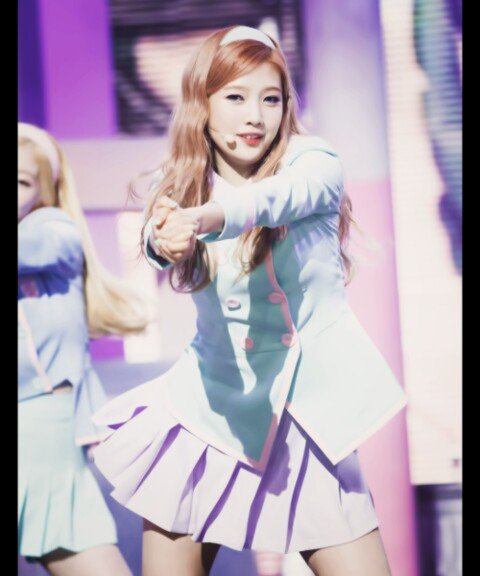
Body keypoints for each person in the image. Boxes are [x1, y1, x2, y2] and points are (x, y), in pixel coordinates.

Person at [92, 25, 408, 576]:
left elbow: (276, 199)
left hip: (310, 418)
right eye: (236, 98)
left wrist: (207, 218)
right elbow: (158, 239)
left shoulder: (314, 162)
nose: (255, 117)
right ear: (204, 103)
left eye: (271, 99)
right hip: (209, 413)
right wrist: (165, 239)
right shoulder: (180, 186)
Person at [18, 122, 147, 575]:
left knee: (78, 547)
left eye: (21, 181)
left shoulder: (53, 229)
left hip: (41, 418)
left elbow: (31, 248)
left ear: (46, 191)